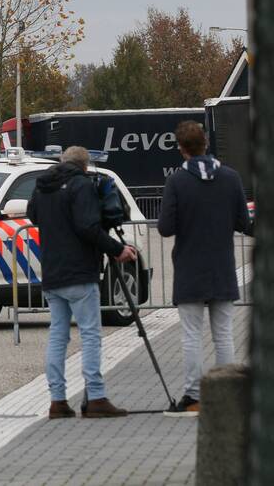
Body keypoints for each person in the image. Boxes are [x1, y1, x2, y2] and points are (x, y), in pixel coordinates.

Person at [28, 146, 137, 419]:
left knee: (58, 335)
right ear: (85, 166)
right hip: (79, 271)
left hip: (52, 272)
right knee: (90, 334)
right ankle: (96, 397)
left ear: (62, 161)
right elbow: (88, 227)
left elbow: (33, 215)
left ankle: (57, 400)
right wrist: (117, 249)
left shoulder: (43, 185)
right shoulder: (80, 185)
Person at [158, 121, 251, 417]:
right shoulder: (231, 178)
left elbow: (165, 228)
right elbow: (243, 222)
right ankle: (226, 395)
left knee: (191, 336)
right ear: (206, 144)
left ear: (181, 148)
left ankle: (194, 396)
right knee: (224, 335)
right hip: (222, 266)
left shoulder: (177, 182)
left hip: (189, 267)